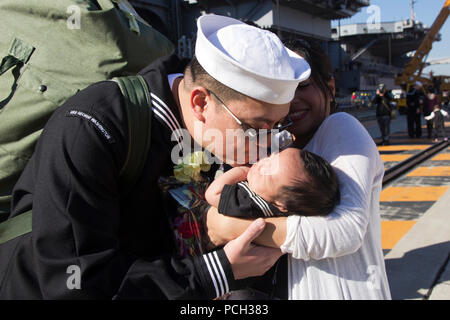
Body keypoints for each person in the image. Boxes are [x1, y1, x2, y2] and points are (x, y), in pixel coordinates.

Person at [0, 15, 311, 299]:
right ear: (200, 103)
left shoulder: (218, 137)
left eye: (277, 125)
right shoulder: (91, 128)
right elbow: (77, 285)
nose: (267, 142)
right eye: (256, 127)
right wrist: (216, 273)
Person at [204, 38, 391, 300]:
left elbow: (345, 231)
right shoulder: (280, 146)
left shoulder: (340, 127)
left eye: (301, 87)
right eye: (281, 91)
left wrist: (227, 226)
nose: (292, 101)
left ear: (329, 86)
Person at [205, 147, 340, 218]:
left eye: (267, 171)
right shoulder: (272, 197)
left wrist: (242, 170)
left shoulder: (253, 203)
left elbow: (212, 194)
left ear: (281, 205)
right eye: (271, 158)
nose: (262, 163)